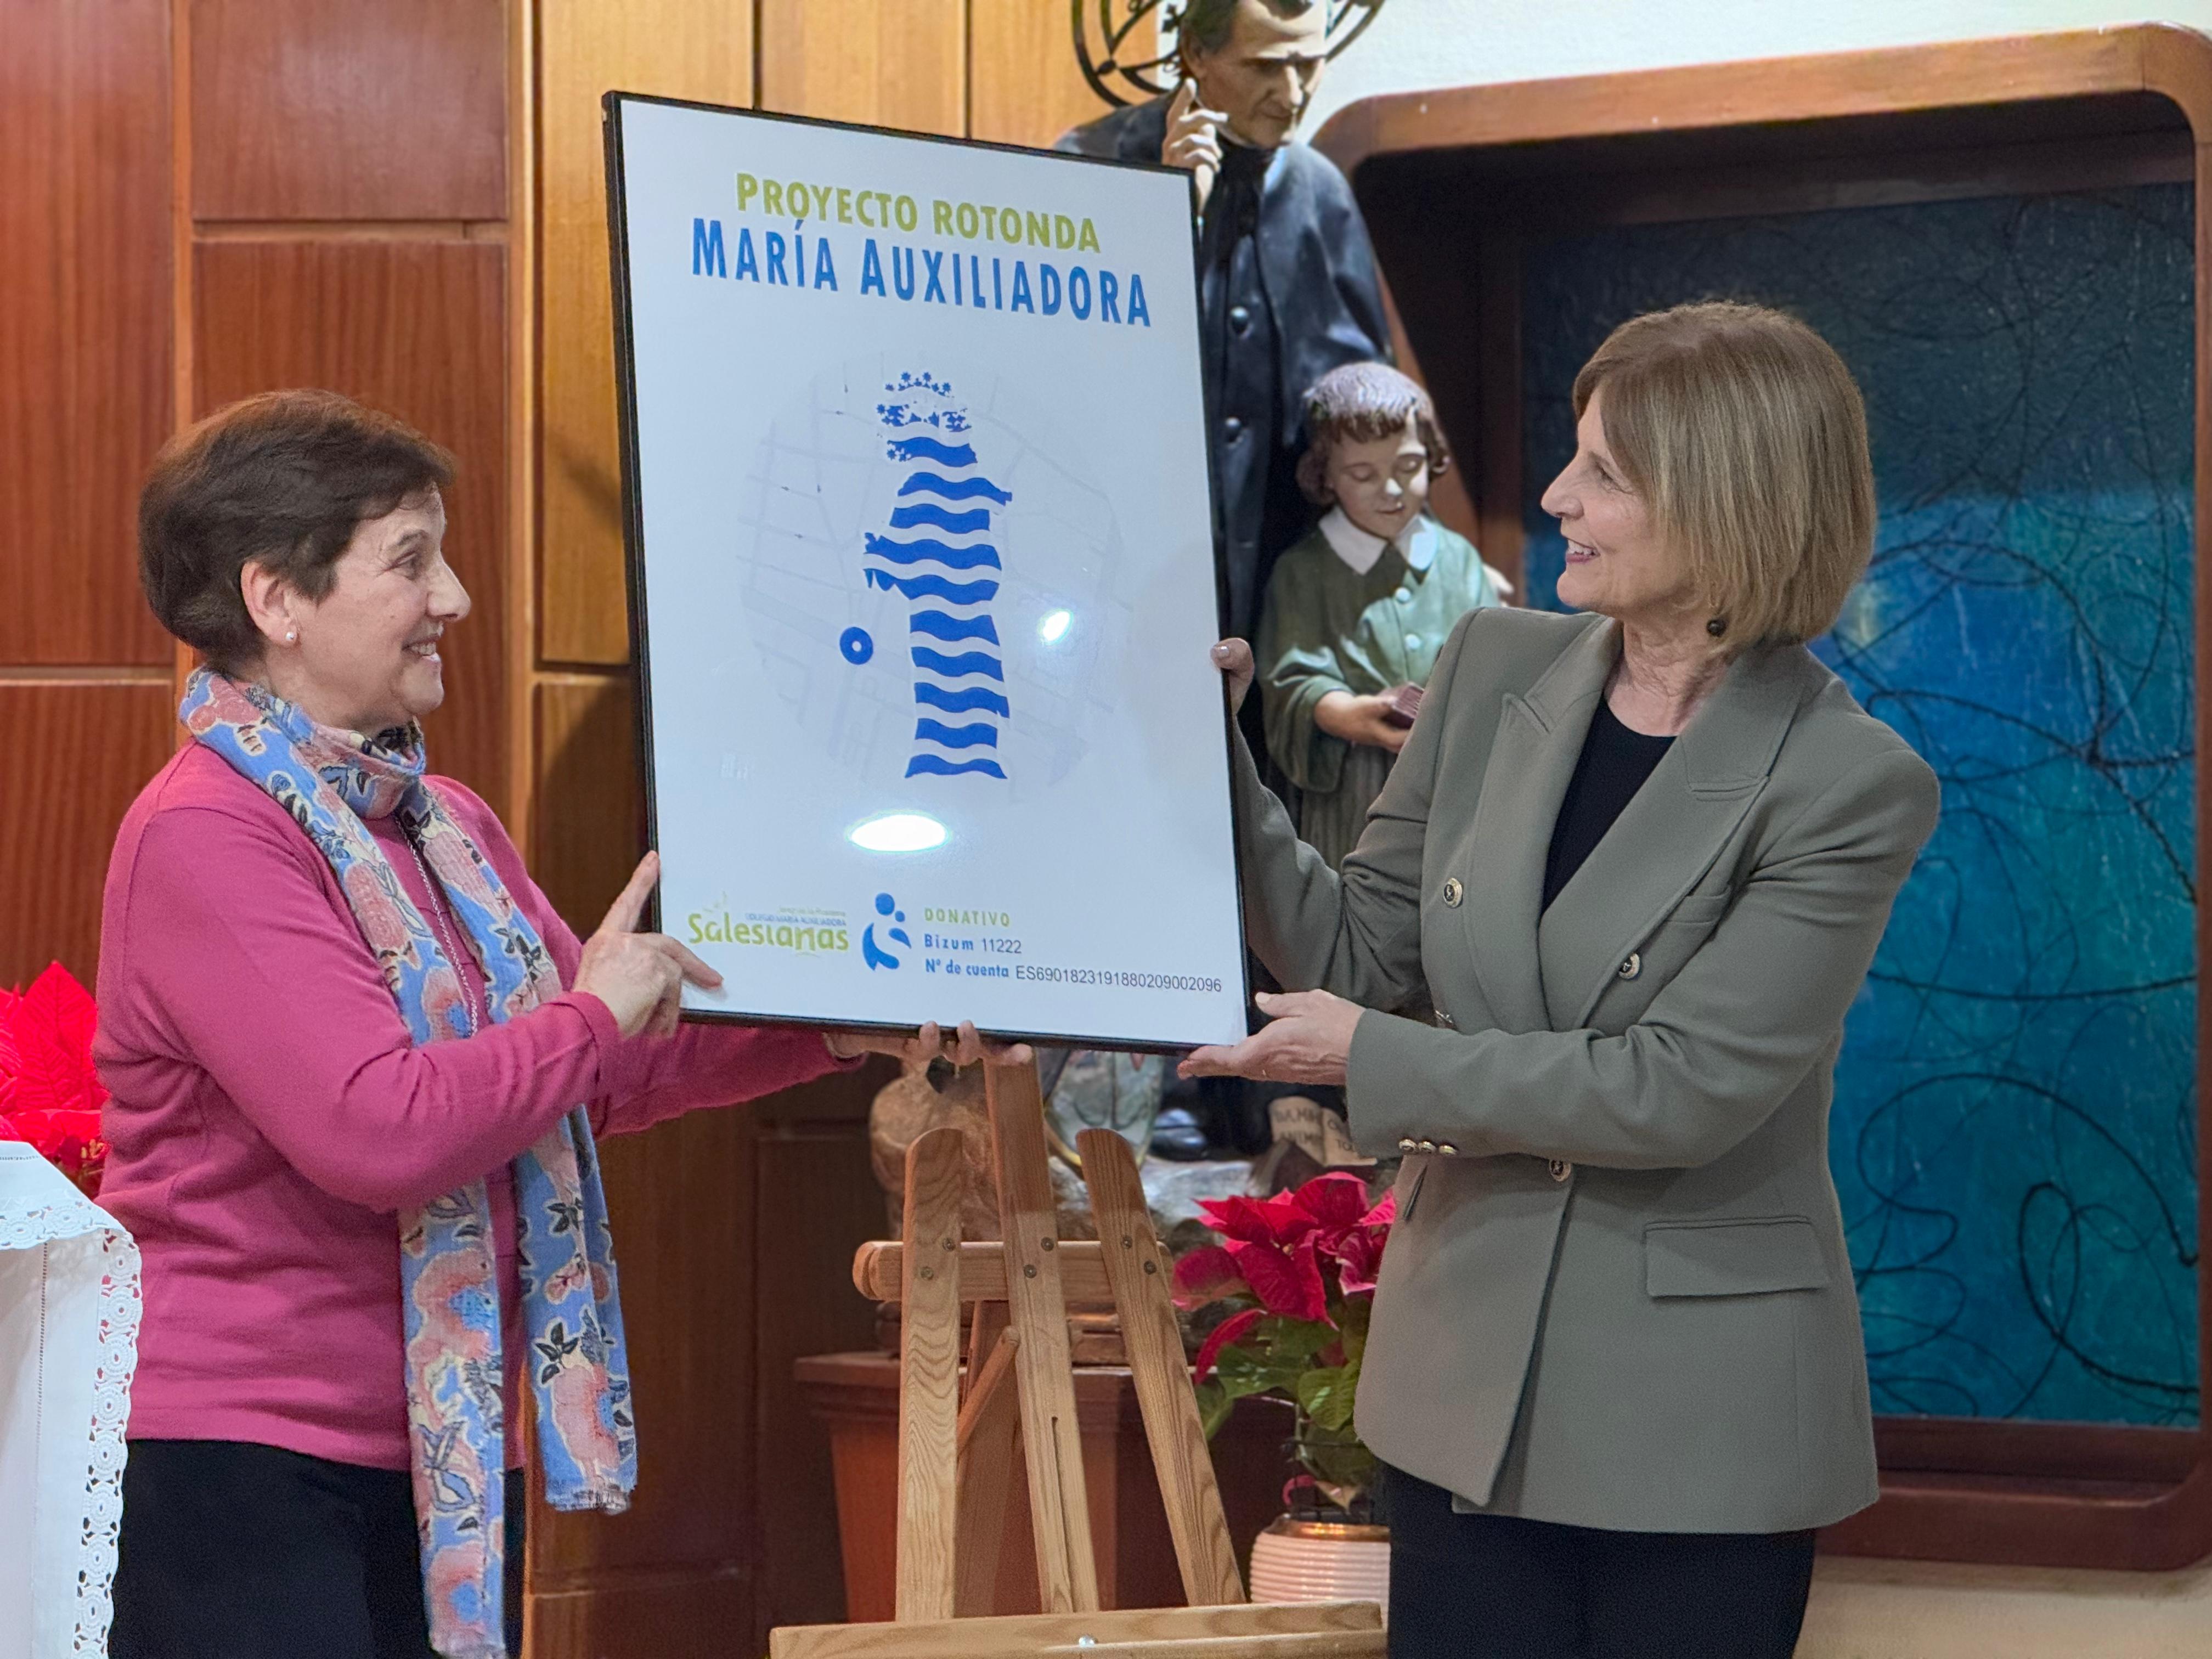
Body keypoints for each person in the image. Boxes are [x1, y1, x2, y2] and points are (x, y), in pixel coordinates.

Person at [98, 390, 1020, 1659]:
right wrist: (592, 1017)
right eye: (412, 560)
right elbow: (382, 1128)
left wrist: (844, 1024)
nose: (458, 597)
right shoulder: (207, 833)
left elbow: (590, 1079)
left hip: (451, 1450)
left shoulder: (443, 824)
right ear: (277, 600)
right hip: (253, 1467)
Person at [1187, 303, 1940, 1657]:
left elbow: (1680, 1090)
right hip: (1459, 1383)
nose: (1554, 496)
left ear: (1723, 506)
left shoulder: (1849, 784)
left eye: (1602, 474)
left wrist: (1366, 1058)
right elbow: (1360, 952)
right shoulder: (1493, 668)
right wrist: (1210, 762)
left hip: (1697, 1426)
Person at [1058, 0, 1390, 650]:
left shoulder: (1320, 192)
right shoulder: (1090, 162)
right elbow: (1066, 367)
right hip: (1126, 576)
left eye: (1309, 63)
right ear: (1196, 56)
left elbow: (1372, 401)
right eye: (1267, 66)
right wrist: (1170, 218)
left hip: (1286, 601)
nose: (1294, 94)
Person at [1257, 362, 1508, 873]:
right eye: (1363, 475)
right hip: (1356, 779)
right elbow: (1291, 678)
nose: (1392, 491)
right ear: (1325, 475)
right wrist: (1347, 715)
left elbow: (1492, 653)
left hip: (1449, 772)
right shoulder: (1305, 571)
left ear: (1432, 458)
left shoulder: (1455, 557)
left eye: (1408, 467)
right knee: (1359, 889)